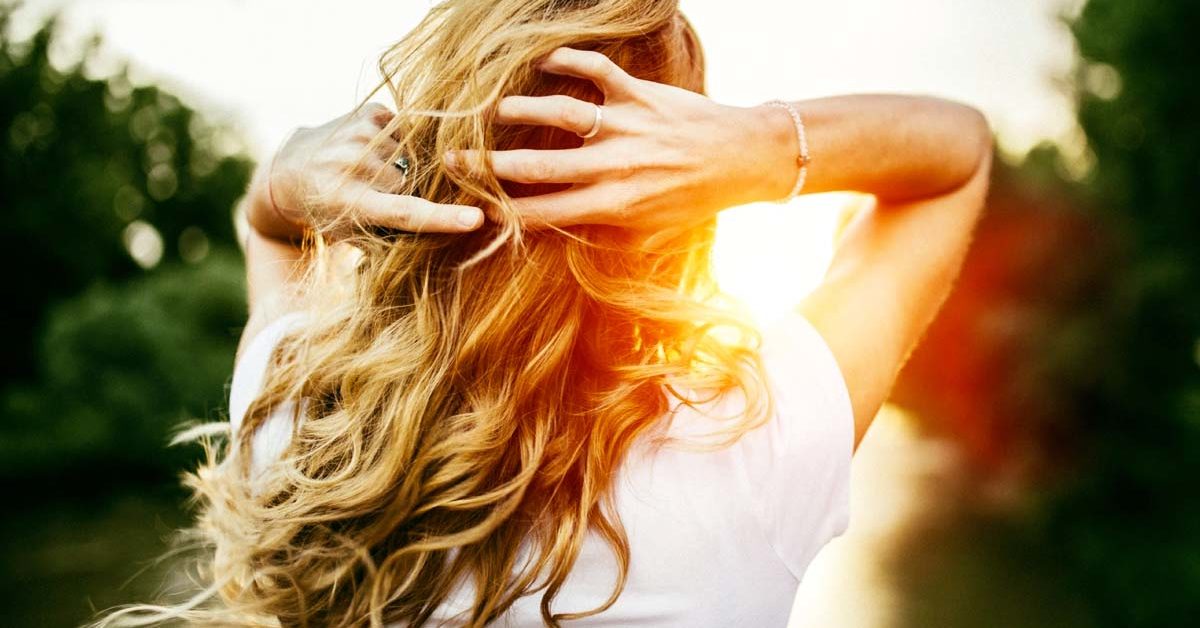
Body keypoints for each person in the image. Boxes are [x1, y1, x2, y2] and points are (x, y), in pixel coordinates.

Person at [101, 0, 991, 626]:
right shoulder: (754, 448)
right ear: (680, 198)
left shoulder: (299, 427)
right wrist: (758, 143)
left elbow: (272, 236)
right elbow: (957, 155)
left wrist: (285, 175)